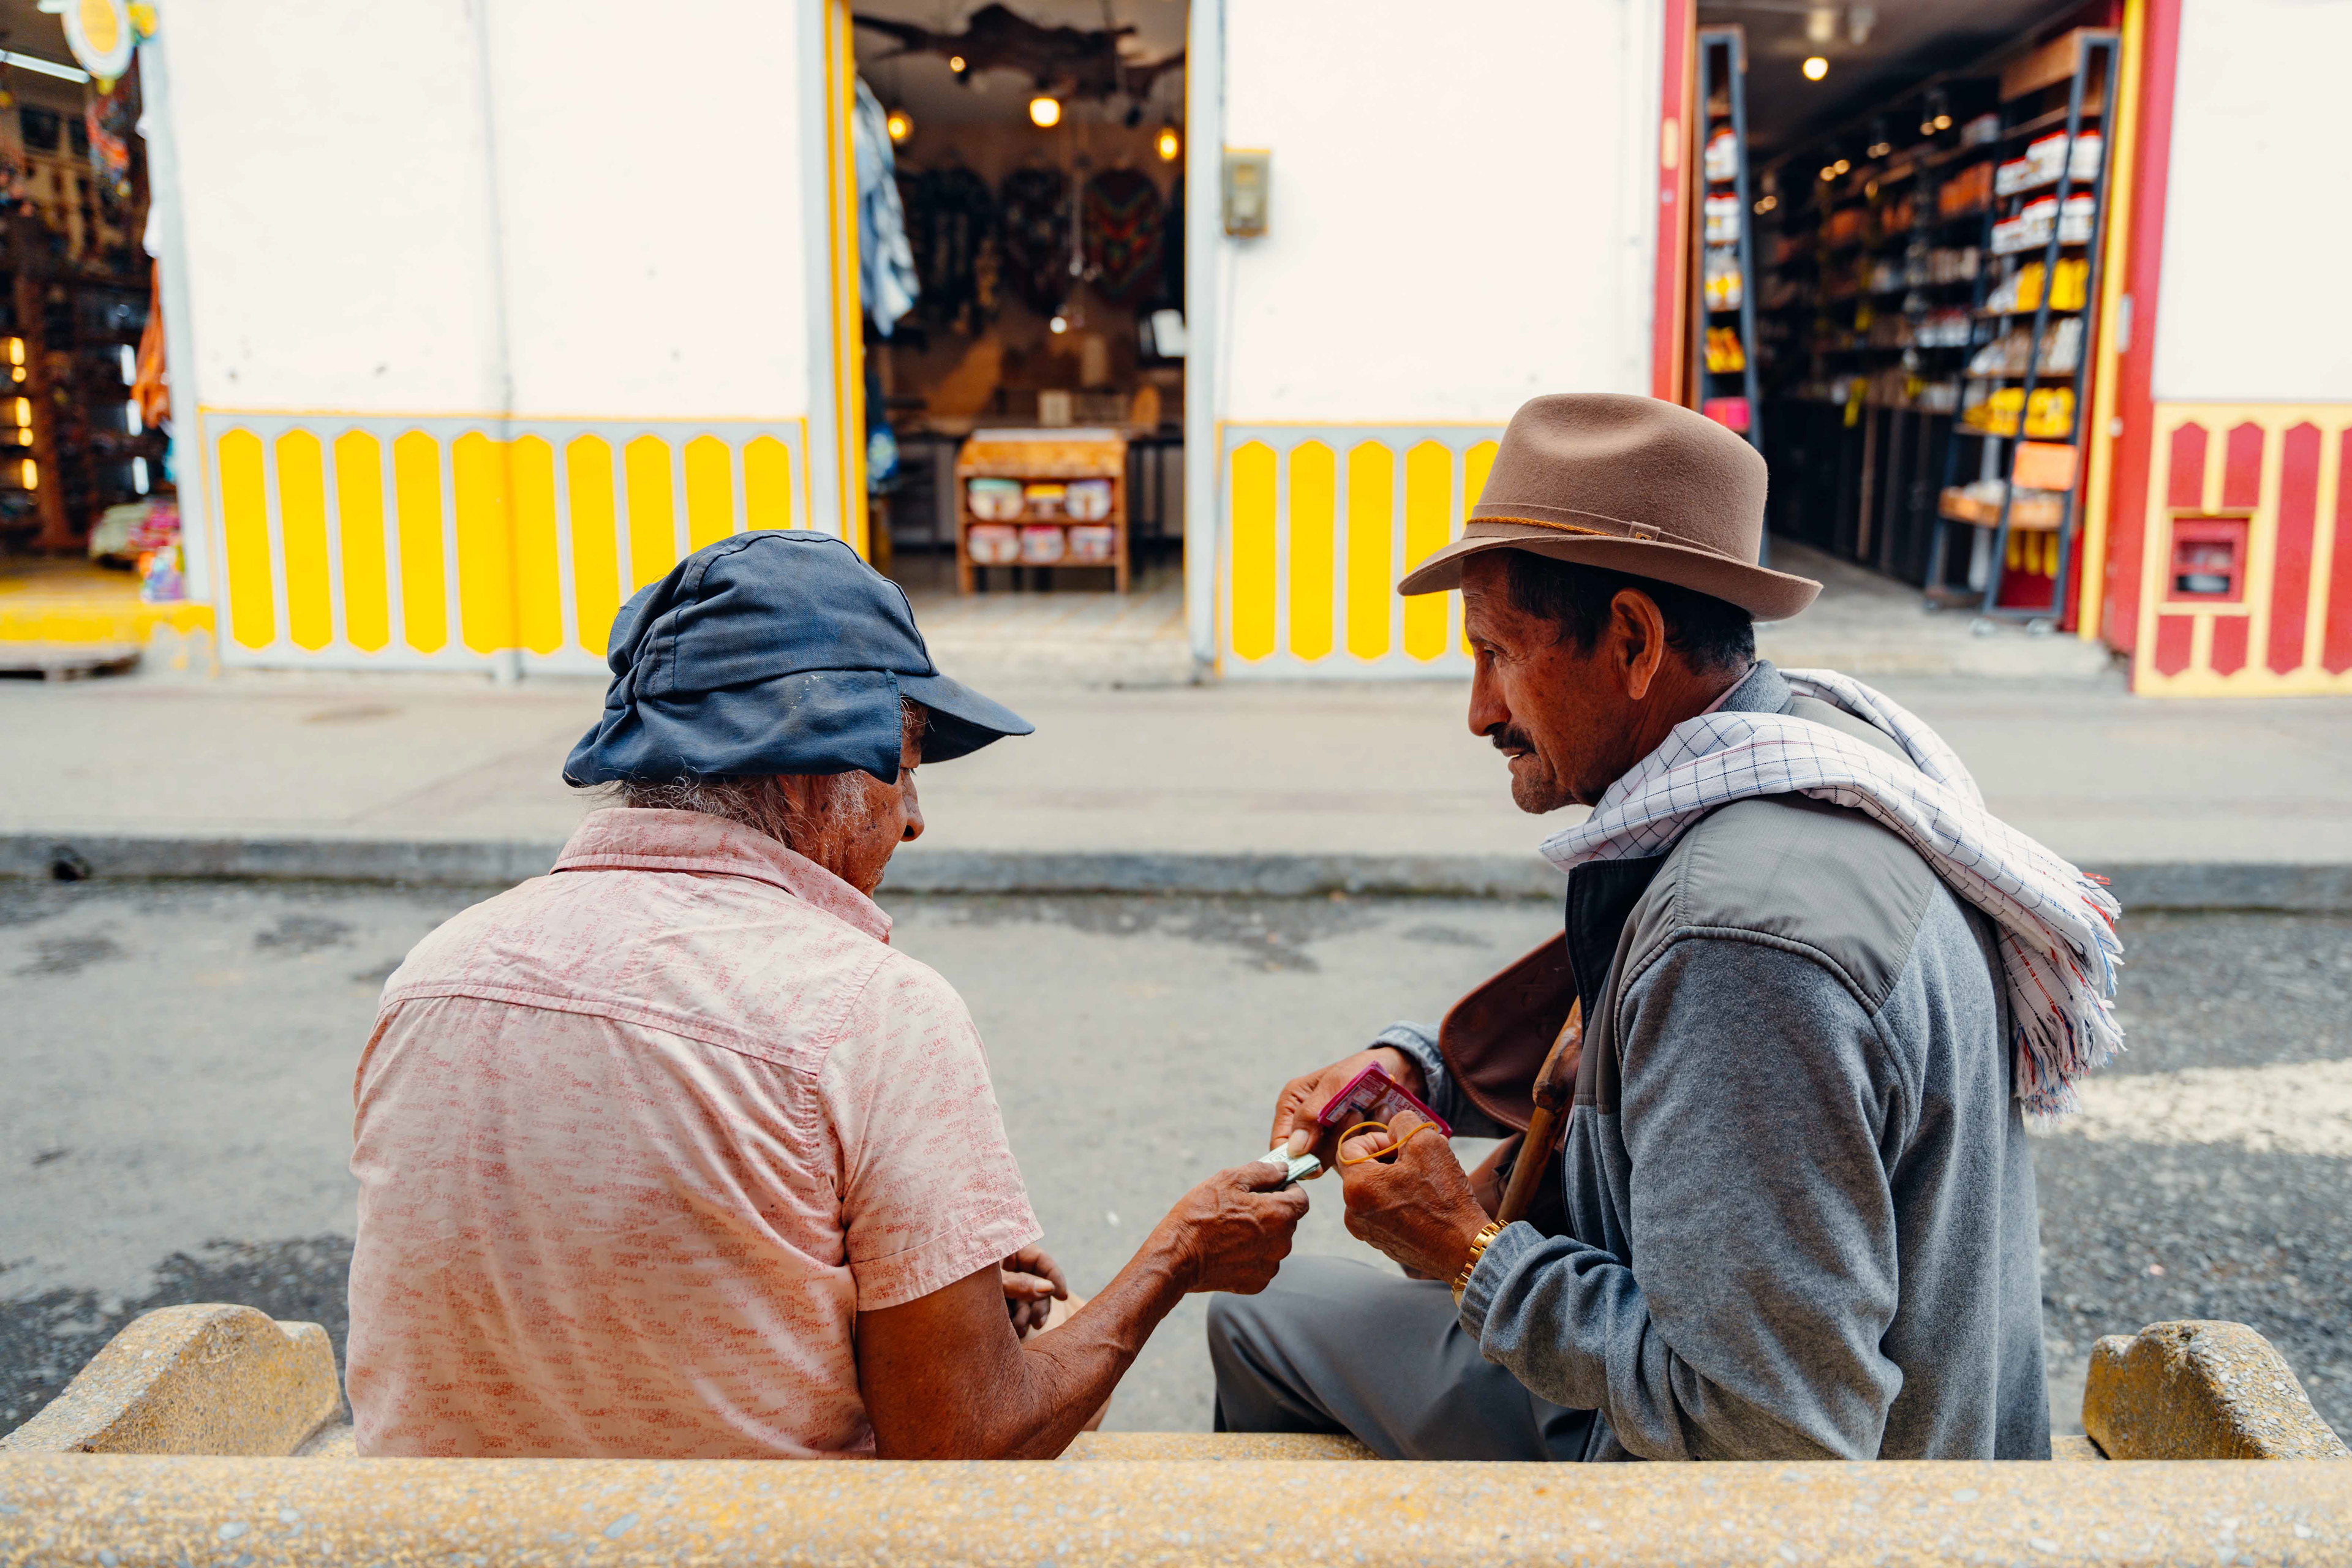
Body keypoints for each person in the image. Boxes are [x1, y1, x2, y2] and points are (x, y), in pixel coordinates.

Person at [1210, 394, 2122, 1462]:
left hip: (1819, 1508)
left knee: (1255, 1325)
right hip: (1922, 1423)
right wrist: (1421, 1071)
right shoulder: (1811, 751)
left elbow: (1769, 1432)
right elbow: (1622, 1007)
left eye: (1498, 652)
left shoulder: (1741, 942)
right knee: (1275, 1319)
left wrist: (1467, 1252)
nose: (1480, 710)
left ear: (1636, 640)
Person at [347, 530, 1308, 1460]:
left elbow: (609, 1304)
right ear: (816, 769)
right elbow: (969, 1442)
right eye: (906, 763)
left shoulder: (434, 972)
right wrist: (1177, 1257)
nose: (916, 817)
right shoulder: (868, 1012)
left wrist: (912, 1299)